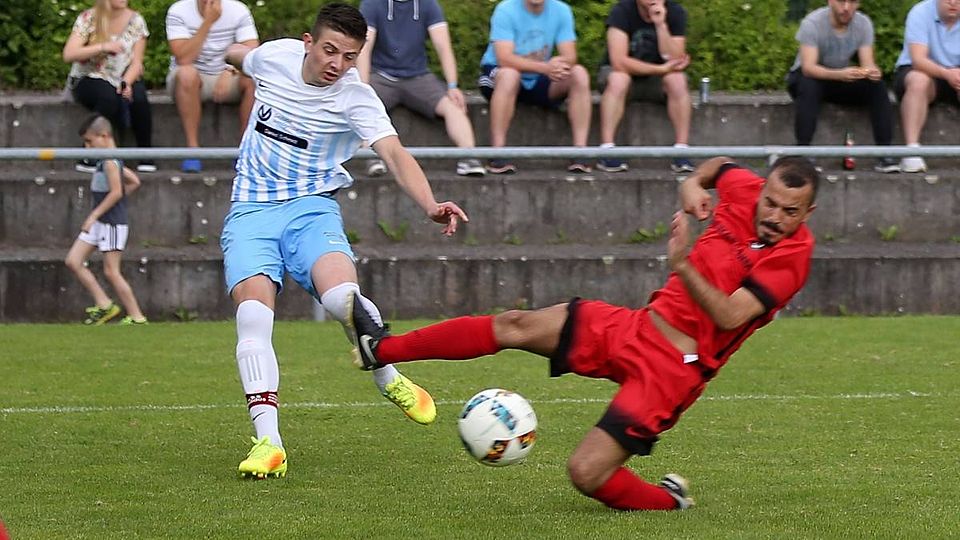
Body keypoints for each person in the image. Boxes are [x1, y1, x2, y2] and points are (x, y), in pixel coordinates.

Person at [351, 156, 820, 511]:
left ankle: (669, 500)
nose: (775, 216)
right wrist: (693, 183)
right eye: (770, 203)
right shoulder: (745, 189)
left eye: (790, 211)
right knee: (516, 324)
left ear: (808, 212)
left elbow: (731, 316)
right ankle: (380, 349)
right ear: (762, 189)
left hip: (672, 372)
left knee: (585, 473)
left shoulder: (793, 258)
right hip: (635, 327)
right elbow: (718, 167)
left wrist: (681, 263)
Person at [221, 3, 468, 479]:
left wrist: (430, 204)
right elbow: (241, 56)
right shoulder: (273, 57)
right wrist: (222, 55)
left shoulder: (357, 98)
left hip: (312, 209)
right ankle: (269, 443)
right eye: (330, 50)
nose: (337, 64)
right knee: (252, 315)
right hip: (251, 211)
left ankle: (388, 376)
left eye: (350, 56)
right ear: (308, 42)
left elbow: (394, 154)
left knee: (342, 299)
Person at [357, 0, 486, 178]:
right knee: (365, 107)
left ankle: (469, 157)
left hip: (418, 77)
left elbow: (443, 46)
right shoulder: (372, 4)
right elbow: (364, 48)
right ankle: (372, 156)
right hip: (381, 76)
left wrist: (452, 86)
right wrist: (363, 87)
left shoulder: (428, 4)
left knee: (453, 107)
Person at [478, 0, 592, 174]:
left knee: (579, 74)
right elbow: (504, 58)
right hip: (500, 74)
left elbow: (570, 56)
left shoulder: (561, 10)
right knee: (510, 75)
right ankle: (497, 152)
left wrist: (559, 63)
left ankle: (580, 152)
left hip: (539, 77)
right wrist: (545, 68)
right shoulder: (505, 10)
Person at [787, 0, 898, 173]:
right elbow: (808, 67)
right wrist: (840, 74)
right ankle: (803, 151)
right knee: (809, 85)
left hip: (838, 77)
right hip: (807, 77)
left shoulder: (863, 24)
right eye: (841, 2)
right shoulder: (812, 23)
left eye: (852, 2)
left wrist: (872, 72)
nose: (846, 8)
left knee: (877, 87)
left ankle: (885, 153)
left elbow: (868, 63)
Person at [65, 115, 148, 327]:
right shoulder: (108, 160)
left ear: (104, 136)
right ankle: (104, 303)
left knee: (111, 271)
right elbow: (134, 181)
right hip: (101, 222)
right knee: (73, 260)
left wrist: (94, 215)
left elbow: (116, 192)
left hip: (110, 223)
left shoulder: (110, 162)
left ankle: (137, 316)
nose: (87, 147)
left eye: (89, 141)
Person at [596, 0, 693, 174]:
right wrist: (659, 69)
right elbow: (618, 61)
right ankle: (607, 150)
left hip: (656, 80)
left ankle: (681, 150)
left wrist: (661, 25)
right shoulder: (622, 11)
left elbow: (675, 59)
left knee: (678, 80)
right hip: (624, 76)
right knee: (618, 79)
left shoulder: (675, 12)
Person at [165, 0, 259, 173]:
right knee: (186, 74)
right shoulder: (178, 11)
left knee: (251, 78)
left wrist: (229, 70)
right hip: (192, 76)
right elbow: (184, 59)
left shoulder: (238, 10)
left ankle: (244, 150)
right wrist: (208, 21)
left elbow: (251, 53)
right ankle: (192, 150)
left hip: (229, 74)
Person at [62, 0, 155, 174]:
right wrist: (103, 47)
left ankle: (146, 154)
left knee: (139, 98)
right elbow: (69, 54)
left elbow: (137, 63)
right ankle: (89, 153)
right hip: (89, 76)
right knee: (108, 97)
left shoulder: (136, 21)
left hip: (122, 75)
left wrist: (126, 83)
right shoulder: (89, 18)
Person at [893, 0, 960, 173]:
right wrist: (946, 73)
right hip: (921, 70)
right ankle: (911, 151)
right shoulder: (920, 12)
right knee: (919, 81)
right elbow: (918, 60)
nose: (953, 3)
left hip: (956, 73)